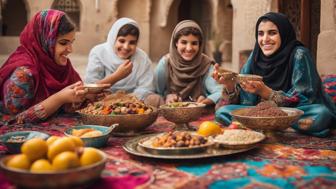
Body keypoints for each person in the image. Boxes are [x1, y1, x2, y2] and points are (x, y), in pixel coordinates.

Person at [213, 12, 336, 137]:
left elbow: (305, 97)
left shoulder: (299, 54)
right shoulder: (255, 57)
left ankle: (262, 128)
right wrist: (229, 85)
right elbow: (244, 102)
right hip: (259, 114)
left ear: (283, 33)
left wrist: (267, 93)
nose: (265, 39)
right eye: (261, 34)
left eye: (272, 33)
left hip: (288, 113)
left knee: (321, 115)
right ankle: (278, 129)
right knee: (222, 112)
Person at [0, 9, 87, 123]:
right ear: (45, 40)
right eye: (63, 43)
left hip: (57, 136)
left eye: (71, 42)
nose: (70, 50)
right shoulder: (23, 74)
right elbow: (14, 121)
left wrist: (83, 98)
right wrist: (59, 99)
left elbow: (66, 108)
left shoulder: (63, 68)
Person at [85, 18, 155, 103]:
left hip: (133, 103)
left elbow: (146, 88)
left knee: (154, 99)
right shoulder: (99, 53)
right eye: (122, 41)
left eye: (132, 42)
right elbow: (90, 88)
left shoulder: (142, 58)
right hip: (102, 102)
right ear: (113, 38)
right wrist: (117, 76)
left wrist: (124, 101)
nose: (126, 47)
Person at [154, 20, 222, 106]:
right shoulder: (166, 64)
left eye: (194, 43)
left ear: (200, 45)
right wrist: (166, 97)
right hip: (169, 112)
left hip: (199, 113)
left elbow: (219, 92)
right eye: (184, 42)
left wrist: (205, 100)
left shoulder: (206, 65)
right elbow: (155, 92)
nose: (189, 48)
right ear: (176, 43)